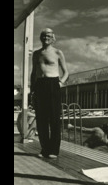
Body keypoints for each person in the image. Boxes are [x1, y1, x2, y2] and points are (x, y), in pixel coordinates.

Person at [31, 28, 69, 159]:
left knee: (54, 119)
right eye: (43, 35)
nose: (45, 37)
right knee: (41, 119)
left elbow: (66, 72)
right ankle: (44, 149)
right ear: (40, 37)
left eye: (48, 35)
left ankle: (54, 150)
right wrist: (32, 91)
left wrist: (60, 83)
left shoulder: (58, 52)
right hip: (39, 85)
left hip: (53, 84)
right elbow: (33, 73)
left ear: (53, 38)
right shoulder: (36, 54)